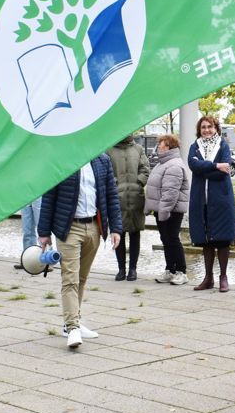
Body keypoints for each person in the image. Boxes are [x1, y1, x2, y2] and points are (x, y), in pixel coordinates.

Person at [38, 154, 123, 348]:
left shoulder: (102, 160)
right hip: (68, 229)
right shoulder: (62, 158)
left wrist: (116, 228)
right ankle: (72, 327)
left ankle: (73, 320)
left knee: (81, 278)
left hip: (93, 226)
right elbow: (49, 196)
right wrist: (43, 232)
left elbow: (111, 195)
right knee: (70, 278)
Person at [187, 115, 235, 292]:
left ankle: (223, 276)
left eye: (210, 127)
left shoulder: (223, 145)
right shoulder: (195, 146)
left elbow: (224, 171)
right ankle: (208, 277)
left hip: (221, 199)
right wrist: (215, 166)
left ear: (216, 128)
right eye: (203, 127)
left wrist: (204, 167)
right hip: (201, 200)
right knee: (206, 239)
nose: (206, 130)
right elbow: (193, 166)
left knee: (223, 239)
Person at [145, 134, 190, 285]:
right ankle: (170, 270)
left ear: (168, 147)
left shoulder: (174, 165)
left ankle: (181, 272)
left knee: (172, 239)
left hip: (171, 210)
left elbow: (170, 192)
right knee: (166, 239)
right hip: (162, 209)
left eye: (160, 145)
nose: (158, 147)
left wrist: (163, 211)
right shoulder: (163, 163)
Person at [107, 134, 151, 281]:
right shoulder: (109, 150)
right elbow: (106, 172)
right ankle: (121, 269)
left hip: (135, 197)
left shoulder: (138, 149)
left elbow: (145, 169)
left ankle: (133, 269)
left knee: (135, 232)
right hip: (116, 198)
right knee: (118, 232)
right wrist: (113, 185)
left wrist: (138, 183)